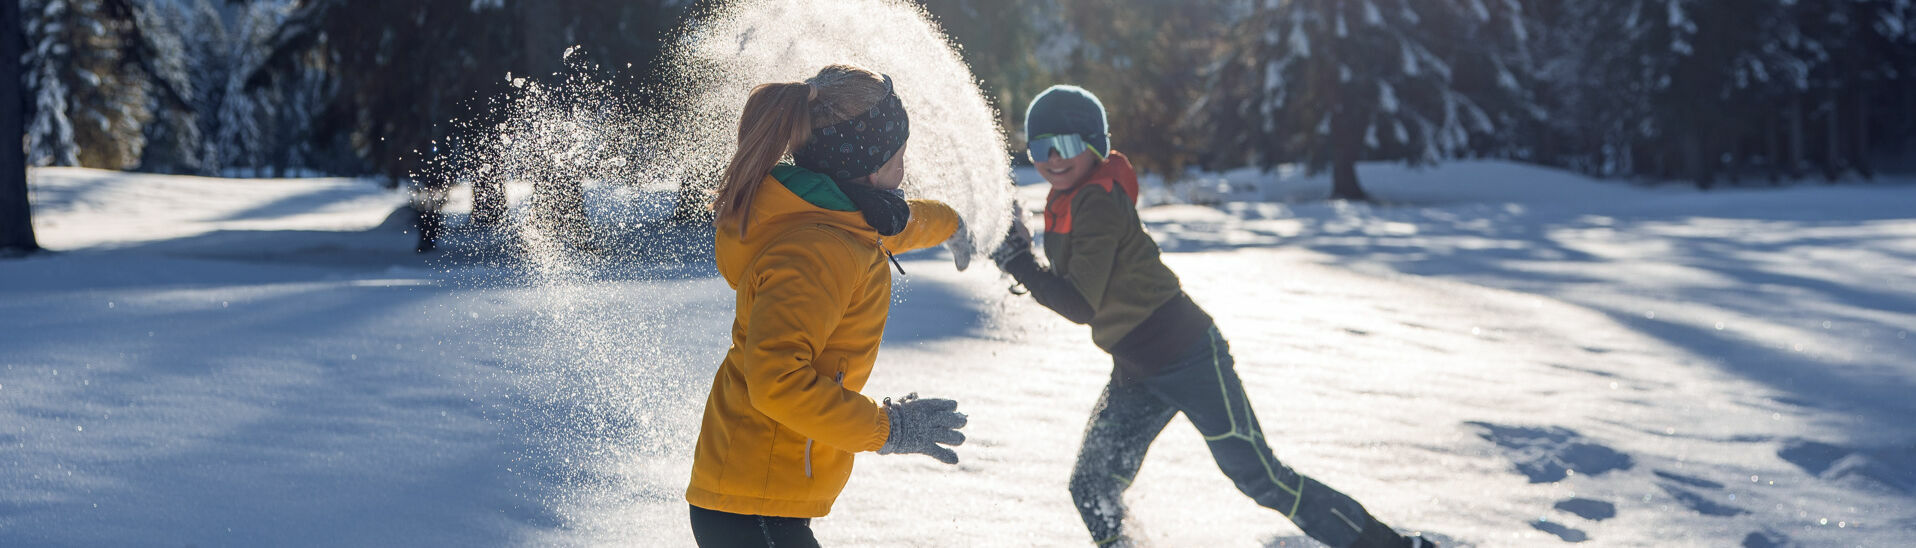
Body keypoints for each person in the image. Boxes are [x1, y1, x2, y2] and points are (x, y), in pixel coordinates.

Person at [988, 85, 1434, 548]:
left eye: (1068, 145)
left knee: (1262, 478)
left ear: (1094, 145)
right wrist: (1020, 250)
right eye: (1041, 148)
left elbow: (1080, 303)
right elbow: (1075, 278)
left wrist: (1018, 261)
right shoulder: (1071, 198)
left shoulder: (1095, 200)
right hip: (1137, 366)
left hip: (1188, 357)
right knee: (1091, 484)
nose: (1053, 158)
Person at [685, 65, 972, 547]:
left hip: (757, 495)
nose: (906, 166)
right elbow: (776, 384)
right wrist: (888, 428)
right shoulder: (817, 251)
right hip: (754, 501)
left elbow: (901, 224)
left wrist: (954, 225)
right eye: (901, 154)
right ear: (875, 166)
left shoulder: (836, 214)